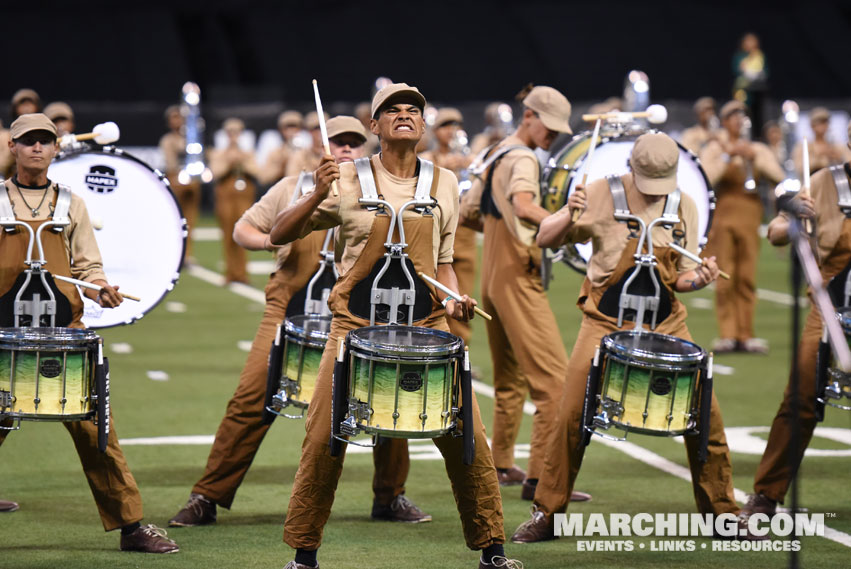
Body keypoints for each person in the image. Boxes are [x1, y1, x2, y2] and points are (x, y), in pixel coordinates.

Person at [270, 83, 518, 569]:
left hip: (427, 325)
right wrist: (318, 192)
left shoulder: (445, 181)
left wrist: (452, 297)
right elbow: (280, 232)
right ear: (374, 126)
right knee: (323, 437)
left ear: (423, 127)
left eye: (413, 111)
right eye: (392, 110)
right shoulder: (343, 176)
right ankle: (304, 555)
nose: (404, 115)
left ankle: (493, 549)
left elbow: (443, 261)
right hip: (353, 328)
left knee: (468, 434)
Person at [168, 115, 429, 528]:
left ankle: (390, 496)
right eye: (336, 141)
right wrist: (271, 240)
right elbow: (243, 229)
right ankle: (207, 495)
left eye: (352, 143)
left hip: (356, 316)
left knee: (383, 396)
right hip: (288, 309)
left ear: (365, 147)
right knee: (251, 397)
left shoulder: (378, 193)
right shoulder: (292, 187)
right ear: (316, 143)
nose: (344, 149)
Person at [510, 132, 743, 543]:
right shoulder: (598, 192)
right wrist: (567, 212)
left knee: (708, 416)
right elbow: (546, 239)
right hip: (604, 321)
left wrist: (700, 279)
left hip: (667, 323)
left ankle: (723, 514)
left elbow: (680, 278)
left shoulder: (684, 203)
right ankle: (547, 513)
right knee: (570, 416)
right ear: (630, 168)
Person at [0, 113, 178, 553]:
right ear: (13, 148)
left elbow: (87, 265)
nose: (36, 148)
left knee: (96, 430)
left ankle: (131, 526)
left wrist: (99, 289)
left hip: (64, 334)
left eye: (44, 141)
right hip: (5, 335)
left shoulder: (71, 202)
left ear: (56, 149)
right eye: (27, 142)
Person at [461, 85, 590, 504]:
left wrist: (502, 234)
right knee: (555, 385)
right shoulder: (522, 158)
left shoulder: (496, 152)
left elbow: (468, 212)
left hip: (493, 277)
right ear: (529, 115)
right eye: (548, 126)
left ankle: (500, 462)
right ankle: (542, 480)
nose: (553, 136)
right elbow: (522, 204)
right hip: (518, 274)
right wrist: (565, 219)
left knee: (510, 380)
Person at [739, 122, 851, 521]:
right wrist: (792, 218)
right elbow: (775, 232)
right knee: (801, 397)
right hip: (830, 306)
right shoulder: (825, 182)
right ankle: (765, 498)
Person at [700, 100, 785, 354]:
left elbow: (778, 176)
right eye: (733, 116)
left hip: (750, 215)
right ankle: (727, 334)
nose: (738, 120)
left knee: (747, 276)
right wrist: (729, 155)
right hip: (724, 216)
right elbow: (706, 176)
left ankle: (746, 334)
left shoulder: (756, 147)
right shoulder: (715, 147)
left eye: (742, 115)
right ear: (725, 121)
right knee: (725, 275)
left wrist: (755, 158)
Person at [420, 107, 476, 343]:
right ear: (435, 130)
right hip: (436, 237)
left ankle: (462, 351)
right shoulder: (426, 159)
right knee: (436, 299)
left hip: (464, 238)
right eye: (445, 125)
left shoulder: (469, 160)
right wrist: (444, 164)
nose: (452, 130)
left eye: (457, 124)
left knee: (463, 300)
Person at [209, 118, 259, 284]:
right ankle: (230, 273)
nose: (233, 136)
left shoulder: (248, 153)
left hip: (243, 197)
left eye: (236, 132)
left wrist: (242, 161)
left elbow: (256, 172)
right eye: (230, 132)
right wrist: (228, 162)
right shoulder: (218, 153)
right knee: (228, 235)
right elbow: (215, 173)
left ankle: (242, 273)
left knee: (244, 233)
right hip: (226, 197)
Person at [159, 105, 202, 262]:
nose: (177, 121)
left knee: (190, 219)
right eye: (173, 118)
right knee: (175, 217)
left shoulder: (192, 138)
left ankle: (187, 253)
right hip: (175, 177)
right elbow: (170, 162)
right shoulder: (168, 140)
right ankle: (175, 253)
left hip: (191, 179)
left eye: (179, 117)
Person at [792, 107, 850, 177]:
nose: (822, 126)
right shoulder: (803, 147)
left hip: (833, 183)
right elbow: (799, 168)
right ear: (812, 125)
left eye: (825, 122)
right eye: (819, 123)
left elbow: (848, 163)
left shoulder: (837, 146)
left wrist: (838, 158)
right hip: (813, 184)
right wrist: (819, 157)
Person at [1, 89, 42, 178]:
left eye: (30, 103)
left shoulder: (45, 134)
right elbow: (2, 165)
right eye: (22, 104)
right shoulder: (5, 136)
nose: (26, 108)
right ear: (14, 108)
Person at [259, 110, 303, 186]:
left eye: (294, 127)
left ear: (299, 129)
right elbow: (263, 178)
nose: (291, 131)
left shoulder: (306, 152)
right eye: (287, 128)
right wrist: (281, 166)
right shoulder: (275, 153)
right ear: (281, 130)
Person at [285, 112, 327, 178]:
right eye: (316, 128)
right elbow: (291, 180)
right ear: (309, 131)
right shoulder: (300, 155)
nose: (321, 132)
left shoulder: (335, 152)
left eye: (324, 128)